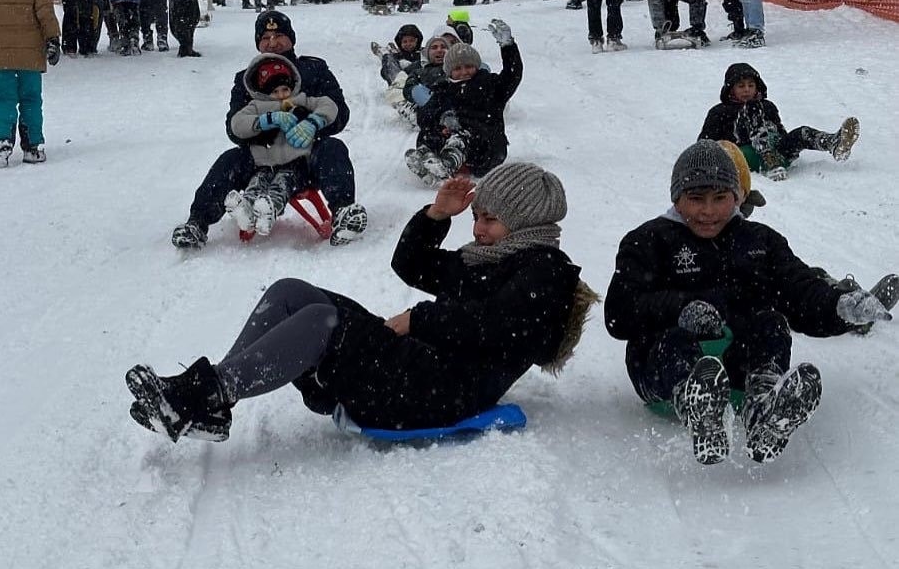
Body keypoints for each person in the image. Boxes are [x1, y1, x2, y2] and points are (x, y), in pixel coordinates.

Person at [127, 163, 594, 443]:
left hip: (439, 390)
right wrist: (436, 215)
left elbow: (499, 327)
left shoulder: (546, 271)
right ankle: (213, 398)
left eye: (488, 220)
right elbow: (410, 265)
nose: (476, 230)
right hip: (421, 370)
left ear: (525, 219)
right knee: (291, 291)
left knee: (321, 321)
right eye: (477, 218)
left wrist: (419, 318)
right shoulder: (489, 257)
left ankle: (207, 395)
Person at [604, 140, 893, 466]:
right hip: (663, 377)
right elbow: (619, 312)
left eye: (720, 198)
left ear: (738, 197)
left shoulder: (759, 241)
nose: (709, 211)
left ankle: (764, 406)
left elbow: (799, 289)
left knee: (770, 322)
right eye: (696, 199)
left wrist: (839, 306)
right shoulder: (651, 240)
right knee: (672, 341)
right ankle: (698, 406)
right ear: (677, 199)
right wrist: (679, 308)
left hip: (737, 372)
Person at [171, 10, 366, 249]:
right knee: (229, 160)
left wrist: (308, 122)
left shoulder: (313, 69)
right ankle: (196, 224)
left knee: (333, 149)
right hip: (261, 156)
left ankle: (343, 213)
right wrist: (268, 124)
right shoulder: (248, 78)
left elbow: (339, 113)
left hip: (305, 154)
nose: (272, 42)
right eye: (265, 37)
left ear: (291, 39)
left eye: (279, 35)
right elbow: (234, 128)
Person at [224, 53, 339, 236]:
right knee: (256, 183)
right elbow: (237, 124)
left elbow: (329, 105)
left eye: (284, 89)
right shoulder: (257, 106)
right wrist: (264, 121)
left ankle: (270, 210)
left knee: (282, 184)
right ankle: (246, 210)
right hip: (264, 163)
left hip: (296, 162)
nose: (280, 95)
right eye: (275, 92)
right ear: (265, 92)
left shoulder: (300, 100)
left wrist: (314, 121)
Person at [404, 20, 522, 184]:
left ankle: (447, 164)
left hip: (487, 148)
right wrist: (442, 120)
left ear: (477, 66)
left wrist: (508, 46)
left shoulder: (489, 84)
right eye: (457, 69)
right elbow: (425, 116)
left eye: (468, 67)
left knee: (462, 136)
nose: (463, 72)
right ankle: (427, 155)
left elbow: (512, 75)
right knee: (430, 132)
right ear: (449, 71)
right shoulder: (444, 89)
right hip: (455, 140)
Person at [697, 62, 859, 180]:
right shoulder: (720, 111)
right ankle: (769, 160)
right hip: (743, 156)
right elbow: (704, 144)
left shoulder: (767, 106)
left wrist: (788, 142)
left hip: (776, 153)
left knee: (801, 133)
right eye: (741, 86)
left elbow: (780, 131)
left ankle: (834, 143)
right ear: (731, 89)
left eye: (750, 85)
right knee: (752, 108)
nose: (747, 89)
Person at [0, 0, 61, 167]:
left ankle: (2, 139)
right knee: (31, 100)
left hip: (1, 56)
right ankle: (33, 146)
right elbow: (46, 14)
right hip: (30, 57)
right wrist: (53, 39)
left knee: (2, 99)